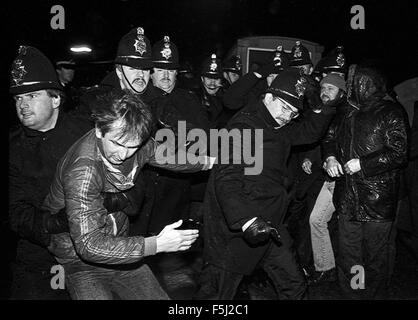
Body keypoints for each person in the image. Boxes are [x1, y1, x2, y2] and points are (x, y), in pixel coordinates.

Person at [41, 91, 213, 300]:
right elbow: (88, 244)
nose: (123, 155)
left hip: (119, 245)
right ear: (99, 130)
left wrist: (209, 162)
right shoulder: (83, 173)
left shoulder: (133, 140)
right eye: (117, 144)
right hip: (79, 260)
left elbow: (166, 156)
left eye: (132, 147)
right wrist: (156, 244)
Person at [195, 69, 335, 300]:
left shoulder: (279, 125)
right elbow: (227, 178)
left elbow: (309, 132)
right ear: (268, 97)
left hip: (271, 225)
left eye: (293, 113)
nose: (287, 116)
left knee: (295, 287)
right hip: (236, 230)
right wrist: (246, 220)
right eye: (285, 108)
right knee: (216, 295)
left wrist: (320, 106)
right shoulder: (243, 127)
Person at [8, 45, 92, 299]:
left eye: (32, 95)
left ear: (55, 98)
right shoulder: (13, 148)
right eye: (18, 98)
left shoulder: (86, 134)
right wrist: (52, 223)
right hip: (39, 259)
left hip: (93, 254)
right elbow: (15, 211)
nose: (23, 105)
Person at [323, 64, 408, 299]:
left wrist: (363, 163)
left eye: (352, 81)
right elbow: (329, 137)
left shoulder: (390, 111)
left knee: (375, 257)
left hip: (377, 201)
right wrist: (329, 157)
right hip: (348, 198)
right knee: (349, 255)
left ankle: (373, 295)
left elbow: (399, 152)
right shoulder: (346, 111)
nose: (348, 86)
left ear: (364, 83)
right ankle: (353, 295)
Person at [300, 74, 348, 285]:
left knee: (348, 229)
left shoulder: (346, 114)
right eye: (323, 87)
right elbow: (314, 140)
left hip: (348, 179)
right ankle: (325, 267)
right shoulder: (320, 111)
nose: (325, 91)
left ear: (342, 93)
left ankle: (352, 276)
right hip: (329, 178)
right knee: (316, 219)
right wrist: (310, 158)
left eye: (331, 88)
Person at [222, 45, 290, 112]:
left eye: (278, 77)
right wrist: (257, 74)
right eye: (270, 76)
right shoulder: (257, 94)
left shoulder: (292, 96)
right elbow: (230, 101)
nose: (273, 81)